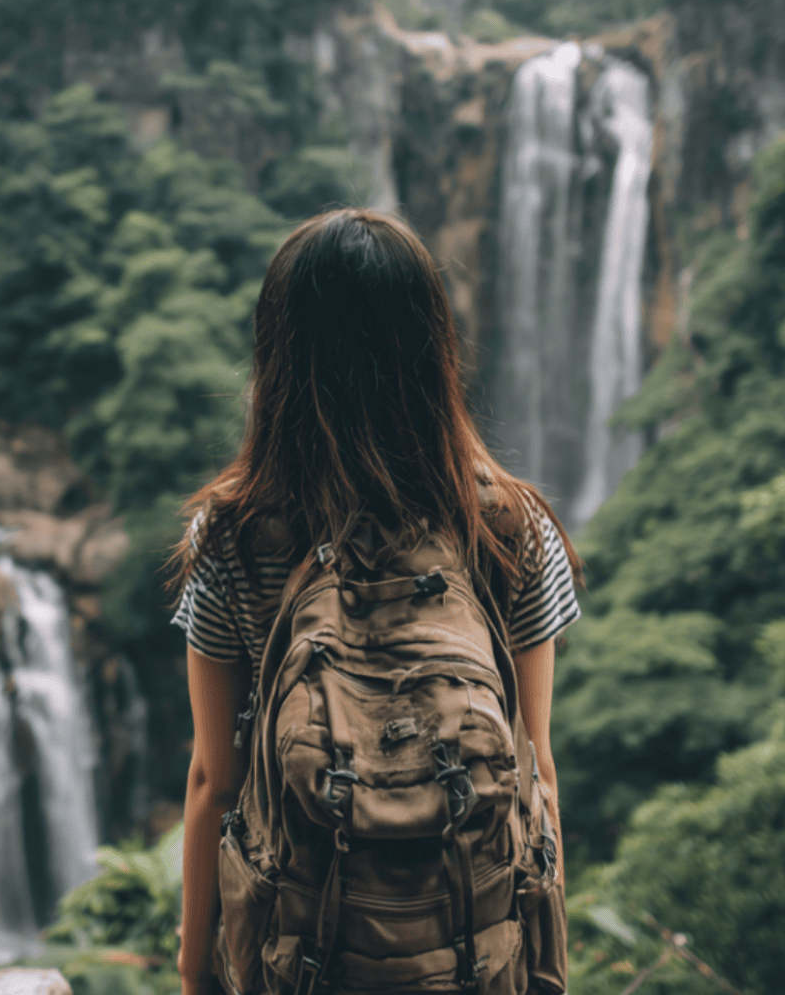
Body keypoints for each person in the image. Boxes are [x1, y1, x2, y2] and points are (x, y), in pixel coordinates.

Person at [169, 208, 582, 995]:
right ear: (434, 349)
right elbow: (537, 772)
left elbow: (212, 784)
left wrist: (197, 973)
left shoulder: (231, 534)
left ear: (279, 356)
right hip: (469, 955)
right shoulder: (510, 525)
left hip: (304, 954)